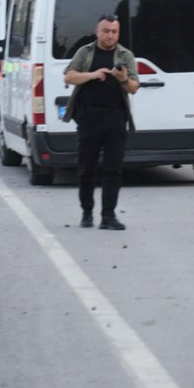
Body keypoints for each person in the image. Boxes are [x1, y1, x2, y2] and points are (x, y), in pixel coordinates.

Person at [62, 14, 139, 230]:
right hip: (89, 117)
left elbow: (134, 87)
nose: (110, 36)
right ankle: (87, 212)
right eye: (106, 31)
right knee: (87, 167)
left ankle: (108, 216)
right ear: (97, 32)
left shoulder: (125, 55)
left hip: (116, 118)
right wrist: (93, 75)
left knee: (113, 169)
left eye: (114, 32)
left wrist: (123, 78)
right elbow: (69, 76)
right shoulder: (85, 52)